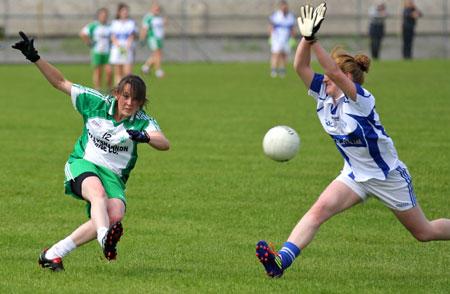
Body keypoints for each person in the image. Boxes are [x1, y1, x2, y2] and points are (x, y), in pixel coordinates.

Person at [256, 3, 450, 278]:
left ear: (347, 79)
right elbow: (300, 65)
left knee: (424, 232)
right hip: (354, 174)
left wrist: (314, 39)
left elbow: (332, 72)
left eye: (330, 75)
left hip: (387, 176)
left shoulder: (360, 100)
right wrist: (305, 39)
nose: (323, 79)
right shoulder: (325, 96)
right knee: (318, 211)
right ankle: (280, 263)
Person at [12, 31, 170, 271]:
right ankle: (104, 239)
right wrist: (35, 57)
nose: (129, 103)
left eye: (135, 100)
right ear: (116, 94)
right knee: (98, 197)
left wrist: (146, 136)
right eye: (125, 97)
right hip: (83, 164)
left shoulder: (141, 121)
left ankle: (53, 254)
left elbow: (164, 142)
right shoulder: (95, 102)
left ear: (141, 103)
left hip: (114, 177)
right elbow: (61, 82)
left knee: (113, 214)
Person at [79, 8, 113, 91]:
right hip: (97, 51)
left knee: (109, 71)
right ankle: (98, 89)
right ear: (98, 16)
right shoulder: (94, 25)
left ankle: (108, 88)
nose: (104, 17)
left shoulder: (110, 25)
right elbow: (82, 33)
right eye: (102, 15)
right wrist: (89, 42)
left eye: (105, 15)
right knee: (98, 71)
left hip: (108, 51)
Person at [109, 3, 138, 84]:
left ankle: (128, 90)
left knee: (128, 72)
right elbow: (113, 36)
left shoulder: (131, 23)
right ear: (119, 12)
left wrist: (126, 48)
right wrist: (119, 47)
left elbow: (131, 36)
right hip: (117, 49)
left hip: (127, 49)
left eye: (126, 11)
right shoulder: (115, 23)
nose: (125, 13)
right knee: (118, 72)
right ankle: (118, 90)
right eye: (123, 11)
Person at [269, 0, 296, 78]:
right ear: (280, 7)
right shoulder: (276, 15)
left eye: (285, 6)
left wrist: (292, 38)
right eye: (282, 6)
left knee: (284, 55)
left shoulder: (290, 16)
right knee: (276, 54)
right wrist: (271, 37)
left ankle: (282, 70)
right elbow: (271, 26)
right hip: (277, 38)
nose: (284, 7)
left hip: (286, 38)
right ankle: (273, 70)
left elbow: (292, 28)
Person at [140, 3, 168, 78]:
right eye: (155, 9)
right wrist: (142, 37)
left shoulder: (159, 17)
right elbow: (144, 28)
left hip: (159, 39)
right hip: (153, 38)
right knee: (157, 54)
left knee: (158, 54)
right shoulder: (149, 17)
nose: (157, 10)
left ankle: (145, 67)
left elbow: (165, 23)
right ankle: (158, 71)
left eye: (158, 9)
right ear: (152, 9)